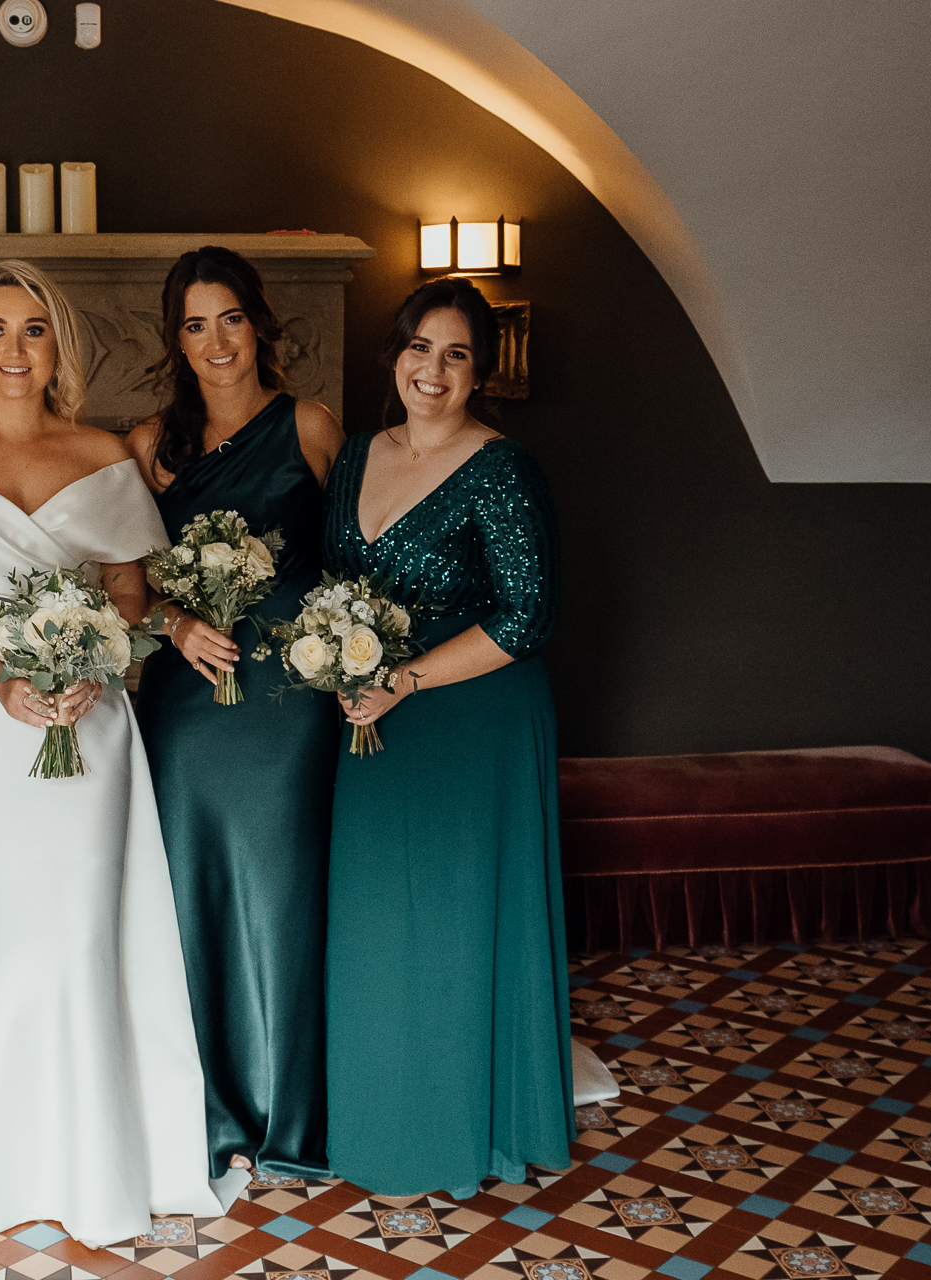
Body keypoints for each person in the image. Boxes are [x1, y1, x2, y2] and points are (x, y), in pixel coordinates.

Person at [0, 260, 247, 1246]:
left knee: (78, 933)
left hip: (85, 724)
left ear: (60, 347)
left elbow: (130, 591)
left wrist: (99, 656)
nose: (14, 350)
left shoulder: (100, 453)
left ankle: (96, 1159)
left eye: (35, 330)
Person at [319, 278, 574, 1198]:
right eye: (420, 348)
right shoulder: (354, 456)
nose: (433, 370)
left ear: (480, 372)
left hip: (473, 715)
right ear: (395, 355)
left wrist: (406, 678)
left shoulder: (502, 467)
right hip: (372, 718)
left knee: (461, 924)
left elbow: (528, 616)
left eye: (456, 354)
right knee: (380, 922)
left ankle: (463, 1129)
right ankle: (381, 1117)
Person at [126, 246, 344, 1181]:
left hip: (286, 705)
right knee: (191, 897)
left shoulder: (311, 425)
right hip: (186, 705)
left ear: (259, 322)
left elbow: (355, 558)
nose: (215, 341)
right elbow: (123, 582)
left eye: (229, 318)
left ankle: (291, 1121)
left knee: (287, 897)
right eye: (193, 324)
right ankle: (211, 1117)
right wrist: (175, 623)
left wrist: (344, 651)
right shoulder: (147, 446)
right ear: (175, 340)